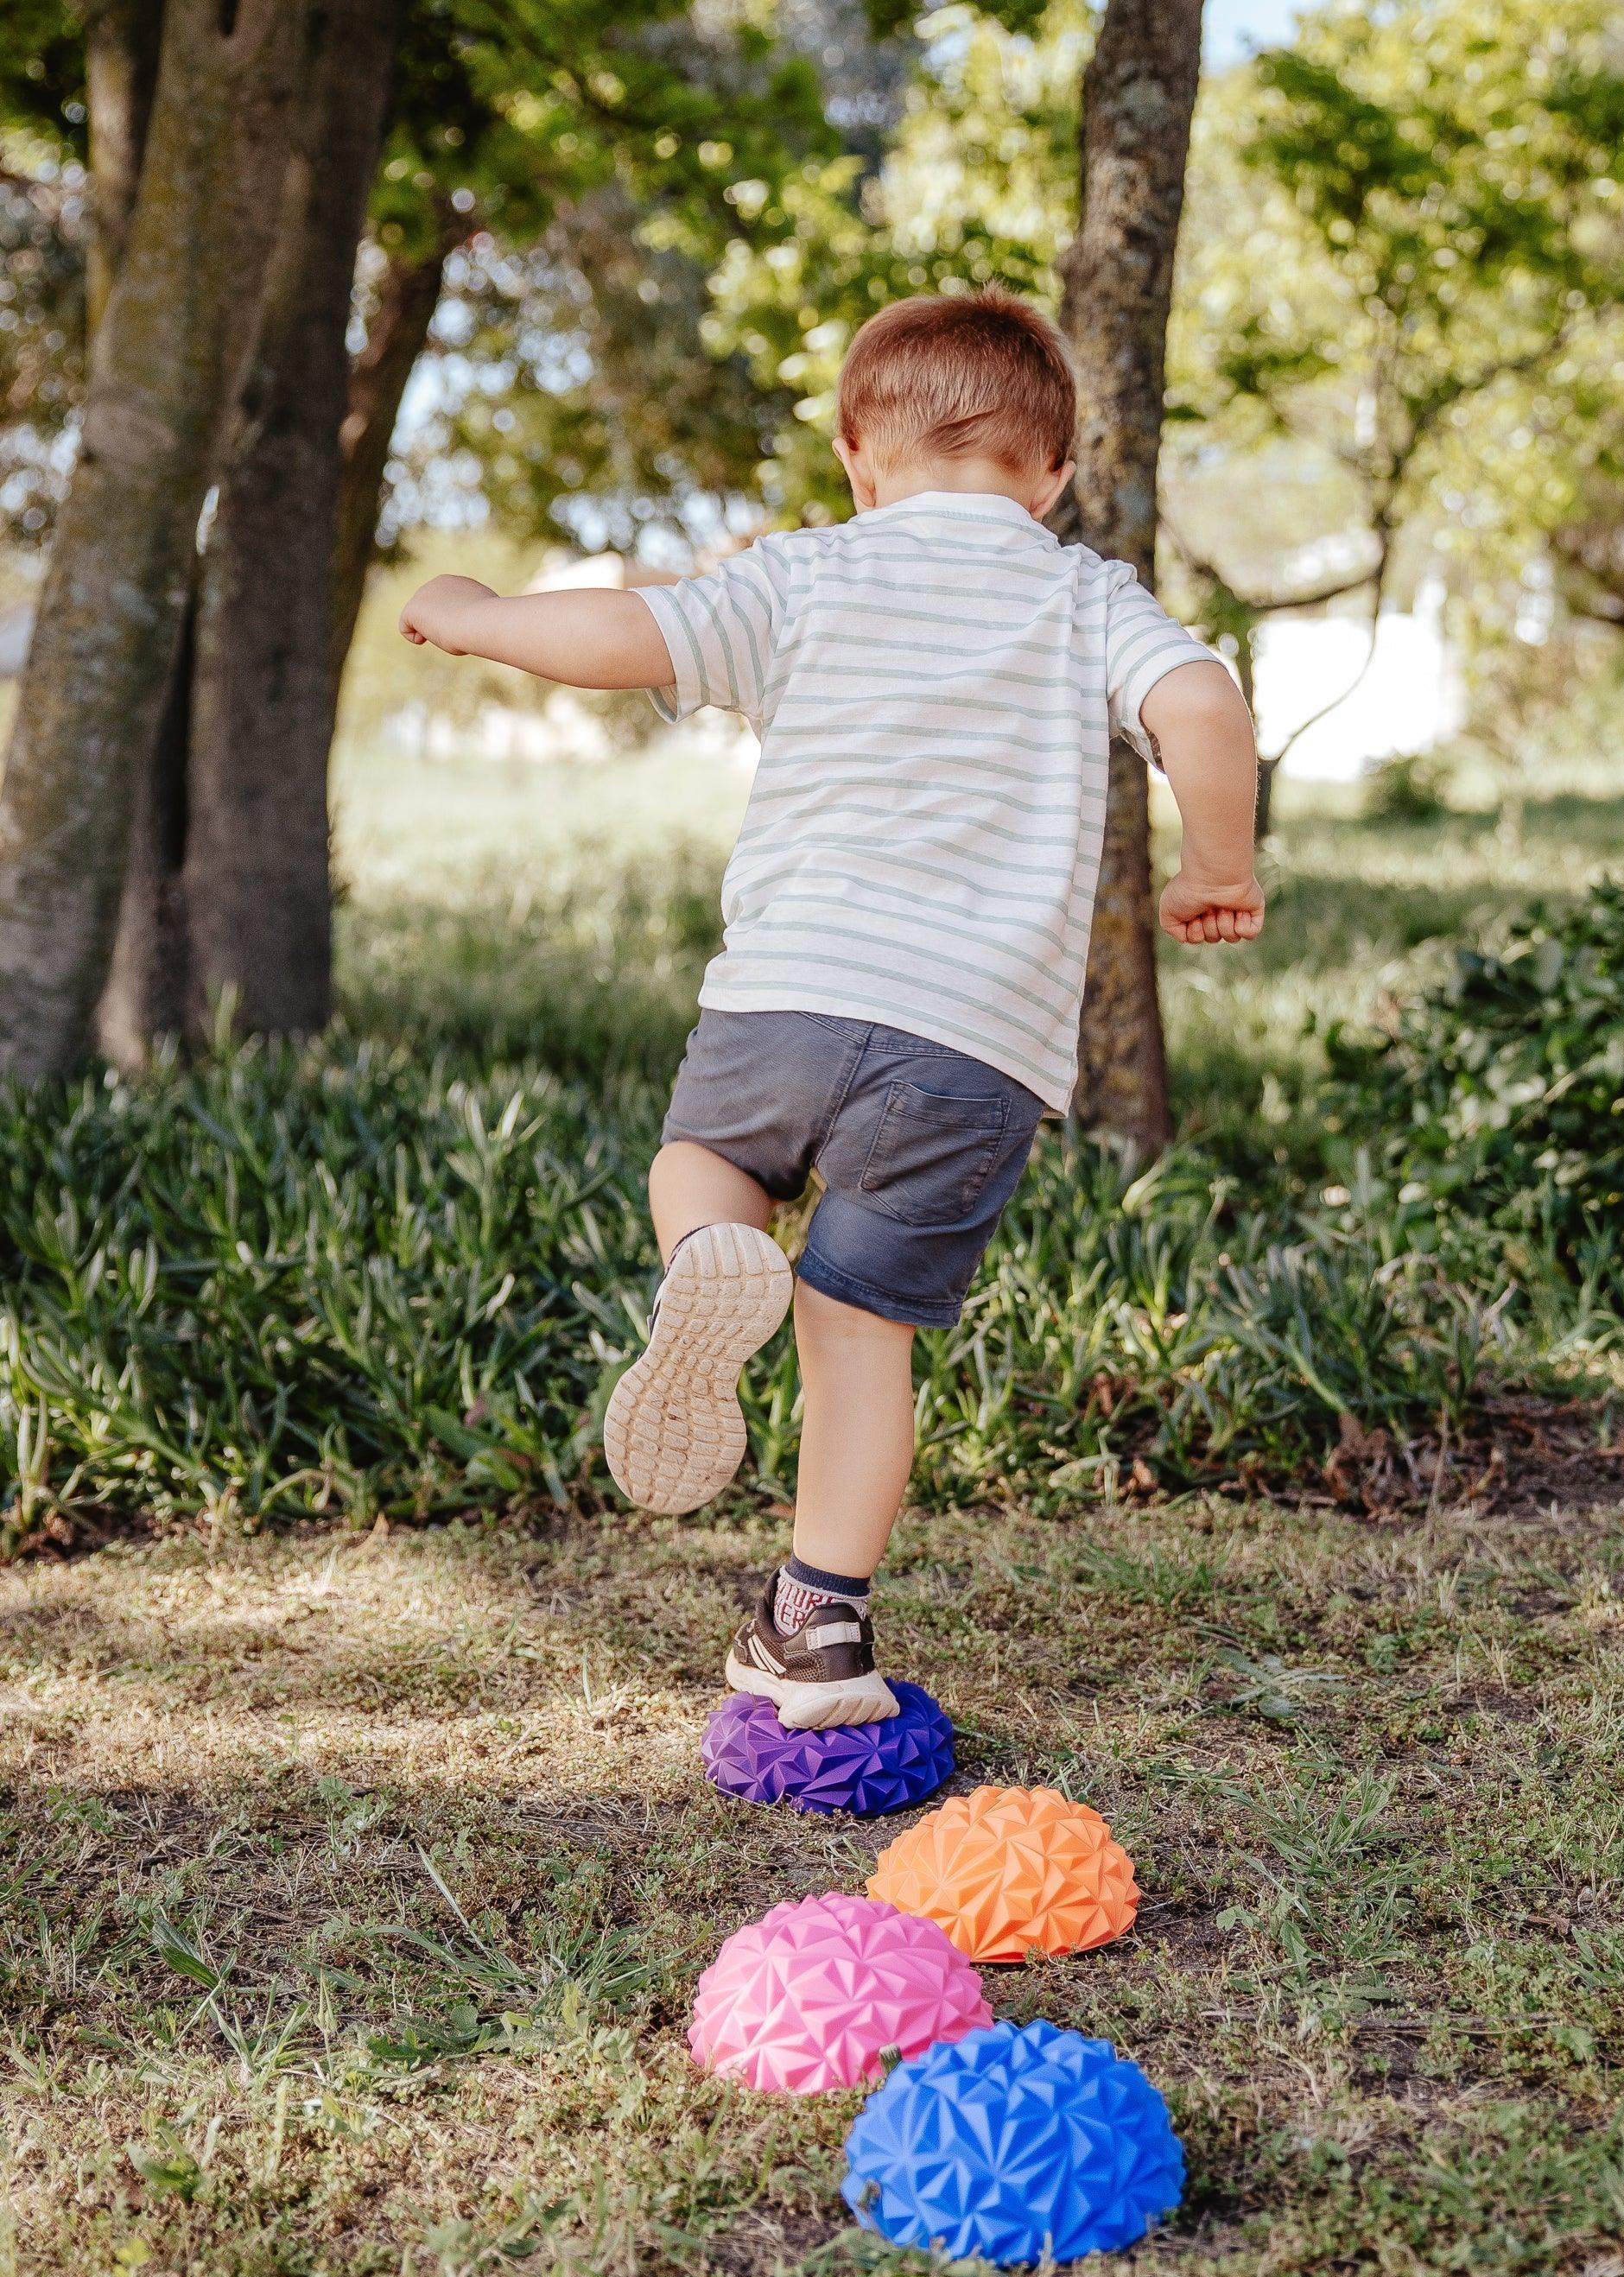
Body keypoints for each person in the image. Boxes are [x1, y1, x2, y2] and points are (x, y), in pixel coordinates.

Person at [399, 287, 1263, 1730]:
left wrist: (479, 616)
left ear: (859, 458)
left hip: (793, 986)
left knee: (702, 1161)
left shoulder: (807, 574)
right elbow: (1203, 705)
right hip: (976, 1040)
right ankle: (817, 1629)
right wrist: (1218, 862)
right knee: (859, 1333)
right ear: (1054, 476)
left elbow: (631, 633)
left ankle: (710, 1254)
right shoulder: (1084, 595)